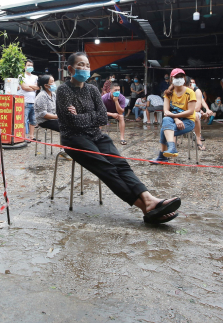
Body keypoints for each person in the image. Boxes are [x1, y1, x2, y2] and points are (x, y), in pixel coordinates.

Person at [56, 52, 181, 224]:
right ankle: (146, 208)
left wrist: (82, 115)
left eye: (87, 65)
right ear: (70, 69)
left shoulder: (92, 89)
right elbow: (70, 121)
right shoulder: (64, 90)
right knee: (107, 168)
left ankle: (148, 198)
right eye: (80, 65)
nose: (85, 68)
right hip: (73, 138)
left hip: (96, 135)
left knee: (121, 163)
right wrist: (89, 116)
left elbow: (102, 118)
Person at [150, 69, 197, 164]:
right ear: (171, 79)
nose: (178, 79)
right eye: (176, 77)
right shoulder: (168, 93)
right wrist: (176, 119)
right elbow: (166, 111)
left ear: (184, 78)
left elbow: (190, 111)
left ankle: (163, 156)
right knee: (166, 119)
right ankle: (171, 148)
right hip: (173, 120)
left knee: (164, 128)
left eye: (180, 77)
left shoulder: (190, 92)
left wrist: (175, 116)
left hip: (188, 121)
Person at [190, 78, 211, 150]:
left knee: (197, 115)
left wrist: (207, 109)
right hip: (188, 110)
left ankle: (198, 136)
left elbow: (202, 101)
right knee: (197, 115)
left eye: (193, 82)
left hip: (196, 110)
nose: (192, 84)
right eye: (191, 82)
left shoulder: (197, 91)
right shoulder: (185, 91)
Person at [20, 60, 39, 140]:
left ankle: (31, 136)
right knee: (23, 121)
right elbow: (24, 87)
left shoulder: (35, 77)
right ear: (24, 67)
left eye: (31, 65)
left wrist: (29, 86)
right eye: (28, 65)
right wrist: (33, 87)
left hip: (33, 102)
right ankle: (24, 137)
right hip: (24, 102)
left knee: (33, 121)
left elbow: (38, 87)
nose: (30, 67)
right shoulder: (21, 76)